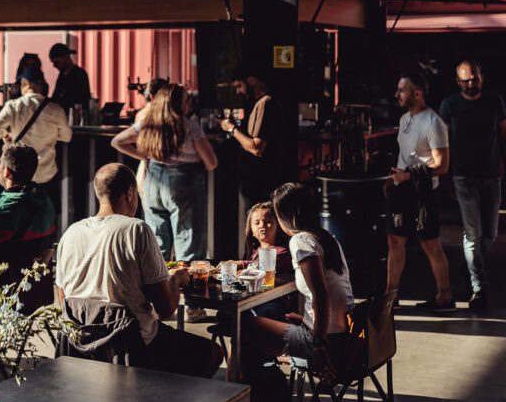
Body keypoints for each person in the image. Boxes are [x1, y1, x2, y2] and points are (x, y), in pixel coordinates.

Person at [55, 162, 222, 378]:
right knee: (213, 353)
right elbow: (166, 308)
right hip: (133, 346)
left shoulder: (70, 233)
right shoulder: (136, 229)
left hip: (80, 345)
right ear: (130, 192)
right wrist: (176, 280)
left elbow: (64, 300)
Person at [238, 183, 355, 385]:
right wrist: (305, 319)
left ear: (286, 216)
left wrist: (319, 345)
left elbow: (321, 294)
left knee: (240, 327)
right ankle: (259, 393)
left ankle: (248, 397)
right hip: (344, 335)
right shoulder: (325, 237)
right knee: (254, 334)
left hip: (325, 342)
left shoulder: (301, 241)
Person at [111, 82, 217, 264]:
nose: (188, 104)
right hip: (184, 182)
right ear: (177, 104)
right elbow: (211, 163)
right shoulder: (190, 127)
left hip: (153, 180)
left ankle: (158, 285)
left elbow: (117, 141)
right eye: (186, 100)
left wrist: (144, 156)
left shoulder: (148, 124)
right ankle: (186, 286)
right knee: (188, 240)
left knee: (157, 241)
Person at [439, 59, 506, 314]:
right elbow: (444, 144)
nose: (470, 84)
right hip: (462, 178)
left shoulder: (494, 101)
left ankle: (470, 268)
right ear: (458, 81)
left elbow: (503, 136)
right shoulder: (450, 105)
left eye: (474, 79)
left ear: (482, 77)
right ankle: (480, 287)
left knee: (490, 233)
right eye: (465, 80)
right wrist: (447, 179)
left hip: (491, 176)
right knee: (473, 234)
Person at [386, 73, 454, 311]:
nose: (397, 95)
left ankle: (445, 298)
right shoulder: (405, 118)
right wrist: (395, 179)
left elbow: (442, 165)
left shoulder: (433, 123)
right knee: (395, 241)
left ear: (417, 93)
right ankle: (389, 298)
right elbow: (405, 156)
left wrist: (409, 175)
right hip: (401, 190)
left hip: (424, 193)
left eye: (402, 91)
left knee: (430, 244)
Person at [0, 142, 56, 292]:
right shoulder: (43, 198)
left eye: (0, 163)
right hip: (35, 287)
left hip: (6, 289)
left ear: (6, 171)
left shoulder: (4, 208)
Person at [0, 71, 71, 213]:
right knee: (46, 216)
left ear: (27, 84)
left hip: (19, 174)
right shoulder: (55, 109)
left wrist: (5, 134)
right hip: (46, 174)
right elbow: (66, 137)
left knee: (17, 215)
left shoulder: (13, 106)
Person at [220, 63, 285, 211]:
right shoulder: (256, 103)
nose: (238, 91)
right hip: (254, 179)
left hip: (260, 180)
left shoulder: (266, 104)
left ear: (251, 80)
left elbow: (257, 147)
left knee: (258, 224)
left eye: (239, 86)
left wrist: (231, 129)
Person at [49, 42, 91, 115]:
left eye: (57, 62)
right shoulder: (61, 76)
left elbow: (82, 99)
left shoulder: (80, 74)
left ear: (66, 57)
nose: (54, 66)